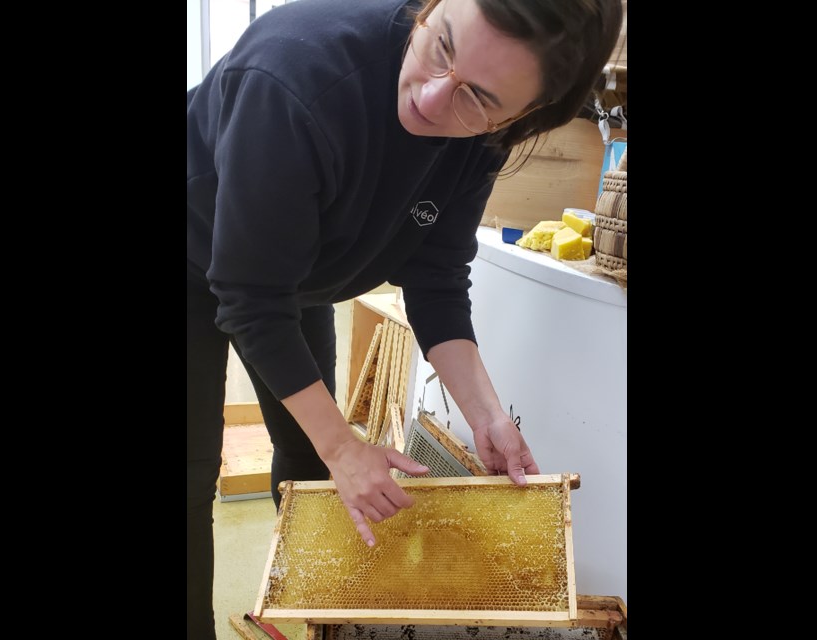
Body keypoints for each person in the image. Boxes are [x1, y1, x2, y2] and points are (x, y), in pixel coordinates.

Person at [187, 0, 622, 636]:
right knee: (198, 472)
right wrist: (343, 444)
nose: (431, 94)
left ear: (525, 115)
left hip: (292, 278)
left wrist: (489, 417)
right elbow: (250, 298)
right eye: (441, 43)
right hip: (198, 250)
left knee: (309, 457)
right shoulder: (293, 74)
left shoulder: (487, 137)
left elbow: (437, 278)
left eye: (479, 97)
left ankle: (314, 616)